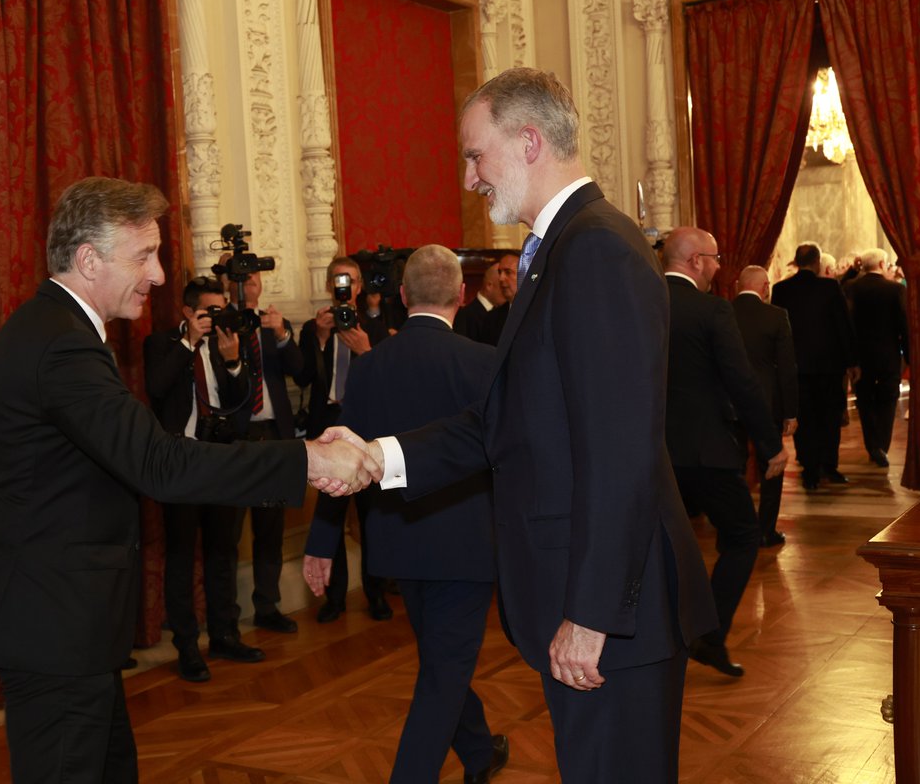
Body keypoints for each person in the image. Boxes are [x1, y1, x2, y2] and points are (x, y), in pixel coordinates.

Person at [346, 68, 716, 782]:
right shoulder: (560, 249)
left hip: (613, 617)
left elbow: (621, 450)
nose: (468, 177)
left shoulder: (597, 249)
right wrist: (374, 457)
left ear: (528, 140)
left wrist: (594, 613)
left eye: (474, 154)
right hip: (590, 604)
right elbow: (505, 421)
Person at [0, 177, 377, 784]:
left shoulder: (58, 330)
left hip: (71, 622)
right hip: (54, 627)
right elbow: (158, 462)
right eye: (143, 256)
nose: (157, 276)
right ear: (87, 259)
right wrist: (306, 459)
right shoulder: (61, 346)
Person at [303, 245, 506, 783]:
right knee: (443, 674)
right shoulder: (485, 365)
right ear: (460, 296)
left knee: (443, 663)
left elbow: (339, 458)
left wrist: (322, 540)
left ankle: (481, 750)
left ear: (401, 296)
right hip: (467, 548)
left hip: (398, 544)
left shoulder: (369, 369)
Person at [662, 231, 788, 678]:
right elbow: (742, 382)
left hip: (653, 453)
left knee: (661, 548)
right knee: (741, 535)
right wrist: (770, 445)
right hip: (707, 451)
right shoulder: (713, 309)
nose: (719, 268)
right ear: (696, 261)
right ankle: (708, 637)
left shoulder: (639, 303)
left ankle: (662, 641)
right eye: (715, 259)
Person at [144, 276, 264, 682]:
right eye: (207, 312)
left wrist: (233, 362)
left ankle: (225, 634)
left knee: (223, 550)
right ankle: (187, 646)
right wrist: (188, 344)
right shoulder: (162, 344)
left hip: (220, 460)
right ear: (187, 311)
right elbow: (156, 387)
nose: (214, 318)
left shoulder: (225, 343)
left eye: (218, 310)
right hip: (180, 462)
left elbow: (240, 401)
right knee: (180, 554)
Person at [296, 256, 391, 623]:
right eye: (338, 280)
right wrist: (321, 339)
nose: (345, 287)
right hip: (327, 431)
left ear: (359, 286)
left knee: (372, 520)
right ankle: (334, 598)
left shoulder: (375, 328)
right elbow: (304, 378)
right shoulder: (313, 327)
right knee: (329, 517)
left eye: (350, 280)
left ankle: (376, 594)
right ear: (327, 287)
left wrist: (366, 350)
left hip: (367, 432)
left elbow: (386, 382)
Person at [216, 253, 305, 632]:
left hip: (273, 437)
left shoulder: (274, 322)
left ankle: (267, 606)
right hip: (234, 440)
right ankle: (226, 620)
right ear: (225, 283)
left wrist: (283, 335)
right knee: (228, 535)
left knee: (270, 531)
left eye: (253, 276)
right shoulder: (218, 324)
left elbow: (302, 375)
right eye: (240, 277)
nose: (249, 282)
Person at [771, 243, 857, 490]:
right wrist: (852, 361)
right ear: (818, 262)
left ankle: (809, 470)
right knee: (830, 417)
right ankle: (829, 466)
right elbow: (843, 326)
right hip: (829, 365)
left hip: (796, 366)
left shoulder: (781, 289)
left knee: (804, 419)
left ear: (796, 262)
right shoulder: (830, 287)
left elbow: (779, 331)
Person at [732, 265, 799, 546]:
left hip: (729, 401)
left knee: (732, 464)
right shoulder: (775, 316)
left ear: (738, 285)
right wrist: (790, 412)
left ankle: (735, 526)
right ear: (765, 287)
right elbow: (786, 368)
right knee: (771, 465)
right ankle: (765, 530)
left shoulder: (721, 312)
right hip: (766, 401)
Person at [845, 248, 909, 467]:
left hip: (860, 357)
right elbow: (904, 325)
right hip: (888, 355)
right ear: (882, 265)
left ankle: (873, 445)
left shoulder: (851, 287)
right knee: (888, 400)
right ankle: (881, 445)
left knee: (865, 402)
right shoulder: (894, 290)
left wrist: (850, 359)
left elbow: (846, 325)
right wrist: (909, 356)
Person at [453, 260, 504, 344]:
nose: (505, 291)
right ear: (489, 286)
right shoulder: (465, 316)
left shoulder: (502, 312)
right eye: (502, 286)